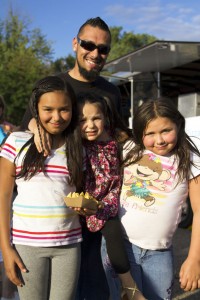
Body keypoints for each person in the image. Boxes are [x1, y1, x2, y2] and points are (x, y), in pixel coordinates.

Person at [23, 17, 123, 300]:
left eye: (103, 49)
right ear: (75, 44)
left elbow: (120, 136)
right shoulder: (55, 85)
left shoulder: (111, 92)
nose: (95, 53)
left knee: (94, 287)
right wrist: (34, 125)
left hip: (95, 210)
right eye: (88, 45)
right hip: (59, 214)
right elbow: (27, 124)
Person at [103, 98, 200, 300]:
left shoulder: (190, 159)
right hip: (121, 248)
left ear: (178, 125)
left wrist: (194, 259)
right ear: (139, 133)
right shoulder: (128, 148)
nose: (160, 140)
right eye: (150, 133)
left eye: (166, 130)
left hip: (159, 254)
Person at [0, 75, 83, 300]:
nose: (56, 117)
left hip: (69, 245)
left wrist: (87, 206)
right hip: (27, 245)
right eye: (48, 109)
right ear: (35, 108)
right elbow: (3, 197)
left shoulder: (78, 148)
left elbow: (78, 194)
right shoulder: (16, 142)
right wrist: (6, 249)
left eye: (64, 109)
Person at [74, 91, 146, 300]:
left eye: (96, 118)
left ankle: (129, 287)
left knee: (113, 236)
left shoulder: (119, 139)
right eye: (82, 120)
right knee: (88, 262)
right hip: (86, 205)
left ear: (105, 116)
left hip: (110, 201)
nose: (90, 125)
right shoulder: (77, 145)